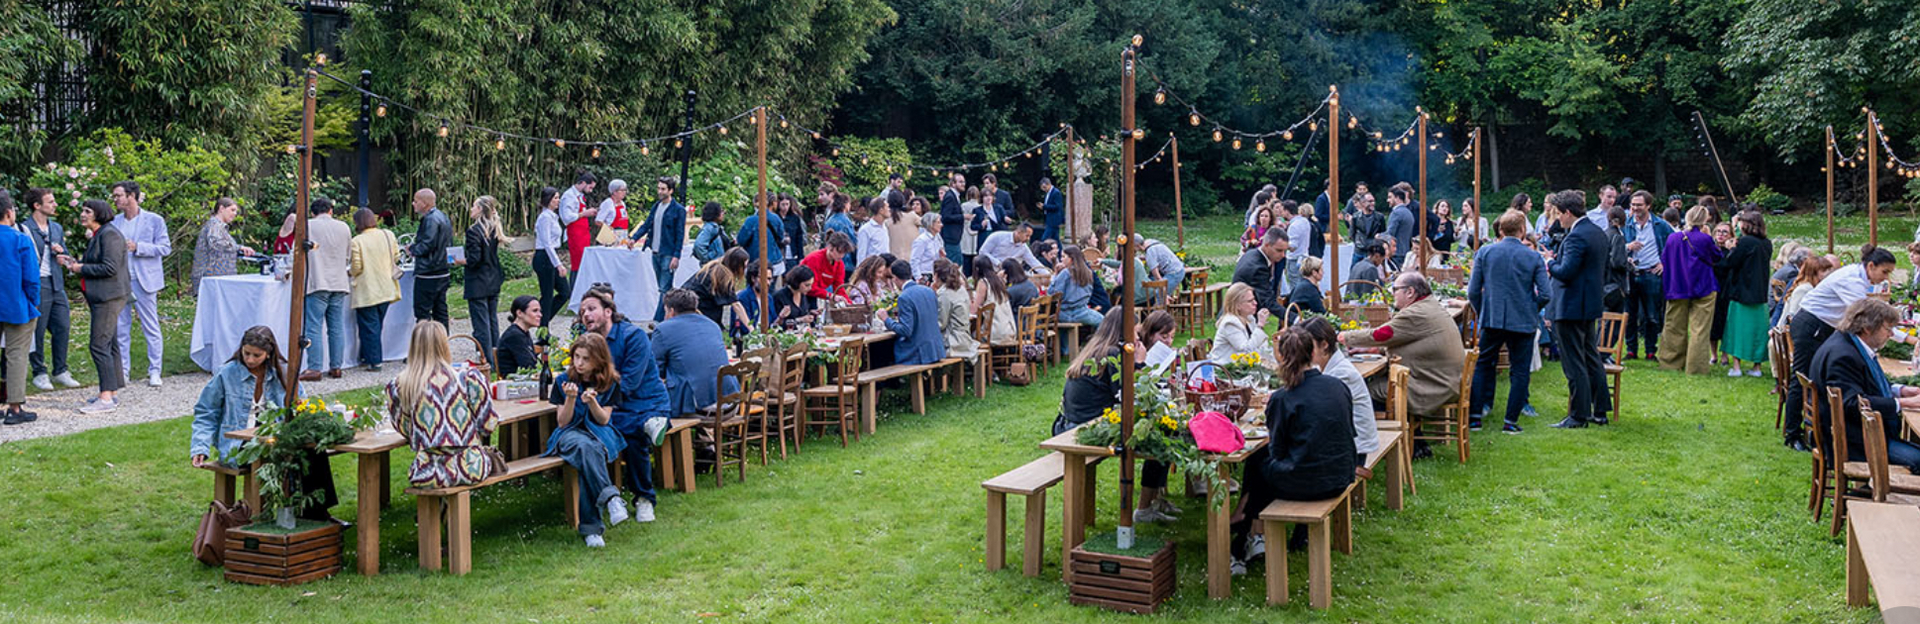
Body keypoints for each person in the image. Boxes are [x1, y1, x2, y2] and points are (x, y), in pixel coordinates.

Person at [1229, 327, 1358, 567]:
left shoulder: (1283, 397)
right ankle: (1252, 531)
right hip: (1342, 474)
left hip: (1310, 483)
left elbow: (1277, 452)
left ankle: (1248, 534)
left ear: (1281, 358)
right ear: (1312, 353)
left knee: (1260, 464)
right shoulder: (1337, 385)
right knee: (1263, 464)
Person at [1786, 247, 1897, 453]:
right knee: (1802, 377)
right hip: (1812, 325)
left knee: (1815, 378)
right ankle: (1792, 434)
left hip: (1821, 325)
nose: (1885, 278)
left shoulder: (1858, 277)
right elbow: (1869, 318)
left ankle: (1817, 429)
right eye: (1885, 272)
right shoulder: (1852, 280)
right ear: (1871, 266)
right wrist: (1907, 338)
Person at [1339, 272, 1463, 455]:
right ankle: (1416, 443)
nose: (1392, 294)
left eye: (1395, 289)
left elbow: (1381, 334)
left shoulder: (1415, 313)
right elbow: (1409, 340)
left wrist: (1343, 336)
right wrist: (1376, 350)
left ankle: (1378, 447)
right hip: (1444, 379)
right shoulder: (1429, 306)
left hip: (1432, 385)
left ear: (1410, 292)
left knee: (1363, 392)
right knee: (1380, 385)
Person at [577, 286, 673, 519]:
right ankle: (608, 496)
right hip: (613, 405)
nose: (586, 315)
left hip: (645, 402)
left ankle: (644, 499)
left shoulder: (633, 336)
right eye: (582, 312)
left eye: (591, 309)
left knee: (631, 434)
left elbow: (629, 384)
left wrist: (595, 391)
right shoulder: (587, 341)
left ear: (608, 311)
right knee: (584, 430)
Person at [1810, 299, 1920, 473]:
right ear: (1868, 327)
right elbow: (1852, 403)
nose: (1891, 334)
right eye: (1888, 329)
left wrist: (1901, 390)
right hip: (1853, 442)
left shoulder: (1848, 344)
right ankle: (1875, 488)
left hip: (1857, 433)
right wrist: (1904, 403)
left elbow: (1862, 383)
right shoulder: (1843, 356)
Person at [387, 320, 500, 488]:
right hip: (470, 467)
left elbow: (405, 430)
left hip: (427, 471)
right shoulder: (468, 378)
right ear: (444, 345)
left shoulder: (398, 386)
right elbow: (488, 424)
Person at [1467, 210, 1550, 433]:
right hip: (1523, 320)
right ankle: (1510, 421)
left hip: (1492, 318)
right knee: (1520, 370)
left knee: (1483, 365)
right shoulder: (1533, 256)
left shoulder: (1485, 252)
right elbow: (1546, 293)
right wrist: (1532, 309)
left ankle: (1475, 418)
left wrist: (1483, 311)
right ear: (1522, 230)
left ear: (1501, 230)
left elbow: (1473, 291)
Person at [547, 332, 631, 547]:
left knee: (588, 456)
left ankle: (592, 530)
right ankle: (611, 499)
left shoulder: (610, 382)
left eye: (586, 359)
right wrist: (571, 399)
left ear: (598, 360)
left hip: (599, 433)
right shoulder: (563, 380)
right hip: (570, 433)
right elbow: (562, 422)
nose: (580, 363)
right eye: (577, 357)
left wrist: (592, 403)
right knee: (585, 448)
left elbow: (604, 420)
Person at [1543, 191, 1611, 428]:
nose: (1557, 219)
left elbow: (1566, 272)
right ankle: (1600, 410)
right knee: (1591, 357)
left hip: (1571, 306)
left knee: (1574, 362)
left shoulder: (1576, 237)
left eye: (1559, 214)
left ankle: (1579, 415)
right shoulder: (1598, 232)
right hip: (1589, 303)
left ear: (1568, 212)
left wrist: (1549, 262)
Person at [59, 200, 127, 413]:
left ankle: (105, 398)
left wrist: (80, 268)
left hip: (108, 298)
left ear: (99, 214)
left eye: (87, 211)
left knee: (98, 345)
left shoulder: (109, 235)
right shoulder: (100, 235)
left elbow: (109, 268)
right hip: (102, 297)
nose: (83, 214)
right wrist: (73, 263)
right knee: (109, 344)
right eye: (82, 210)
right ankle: (112, 392)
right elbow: (97, 263)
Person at [1299, 317, 1379, 479]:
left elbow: (1318, 415)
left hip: (1352, 449)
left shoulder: (1340, 373)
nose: (1304, 352)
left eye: (1308, 346)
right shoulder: (1331, 366)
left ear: (1324, 345)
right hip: (1346, 441)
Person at [107, 181, 169, 388]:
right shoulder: (115, 222)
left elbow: (165, 248)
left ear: (131, 196)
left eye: (118, 195)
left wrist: (139, 247)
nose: (115, 199)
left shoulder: (154, 220)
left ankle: (155, 371)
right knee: (121, 327)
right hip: (120, 280)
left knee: (150, 326)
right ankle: (123, 371)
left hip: (145, 280)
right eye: (115, 196)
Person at [18, 189, 77, 391]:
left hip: (56, 283)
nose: (55, 205)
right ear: (37, 205)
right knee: (38, 329)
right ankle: (39, 372)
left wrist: (62, 256)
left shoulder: (56, 228)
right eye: (50, 201)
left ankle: (61, 370)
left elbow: (66, 255)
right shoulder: (25, 228)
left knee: (62, 327)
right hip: (38, 283)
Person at [1657, 205, 1724, 375]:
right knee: (1700, 329)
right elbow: (1716, 256)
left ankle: (1670, 362)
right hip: (1704, 285)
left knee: (1673, 326)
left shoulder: (1673, 238)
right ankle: (1696, 367)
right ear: (1704, 220)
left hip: (1678, 286)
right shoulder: (1705, 239)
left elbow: (1665, 259)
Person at [1052, 309, 1136, 435]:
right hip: (1085, 427)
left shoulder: (1095, 348)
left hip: (1067, 423)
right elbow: (1124, 395)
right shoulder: (1112, 353)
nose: (1137, 337)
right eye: (1135, 331)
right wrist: (1140, 362)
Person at [653, 289, 734, 418]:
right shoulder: (712, 325)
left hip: (699, 408)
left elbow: (655, 370)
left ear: (671, 311)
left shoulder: (663, 329)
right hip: (731, 404)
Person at [1717, 211, 1773, 377]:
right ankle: (1757, 367)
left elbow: (1731, 262)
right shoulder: (1766, 243)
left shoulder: (1745, 242)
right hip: (1760, 293)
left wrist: (1731, 248)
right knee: (1758, 331)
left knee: (1737, 330)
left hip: (1742, 292)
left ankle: (1737, 367)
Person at [0, 191, 39, 423]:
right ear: (8, 212)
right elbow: (31, 278)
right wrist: (33, 300)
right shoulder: (20, 239)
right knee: (16, 355)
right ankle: (14, 408)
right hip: (16, 304)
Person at [348, 207, 402, 372]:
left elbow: (357, 266)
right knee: (377, 324)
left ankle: (374, 360)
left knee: (369, 326)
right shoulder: (388, 234)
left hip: (367, 288)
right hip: (386, 286)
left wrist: (351, 272)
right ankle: (367, 355)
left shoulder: (357, 241)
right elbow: (397, 256)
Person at [1621, 190, 1673, 359]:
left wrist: (1664, 263)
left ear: (1648, 206)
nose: (1635, 208)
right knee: (1629, 315)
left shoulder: (1661, 225)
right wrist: (1628, 248)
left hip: (1652, 274)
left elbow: (1675, 246)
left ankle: (1651, 350)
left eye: (1639, 205)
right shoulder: (1625, 224)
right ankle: (1631, 350)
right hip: (1630, 274)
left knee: (1652, 315)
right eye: (1633, 205)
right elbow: (1614, 246)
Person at [458, 196, 506, 370]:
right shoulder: (493, 228)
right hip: (493, 278)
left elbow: (474, 259)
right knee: (492, 320)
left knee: (481, 324)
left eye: (473, 206)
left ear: (479, 209)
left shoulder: (474, 231)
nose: (471, 209)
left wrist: (460, 261)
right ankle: (496, 358)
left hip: (478, 281)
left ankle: (486, 360)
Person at [636, 177, 688, 321]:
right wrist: (634, 238)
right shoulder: (656, 206)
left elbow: (680, 234)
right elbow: (647, 225)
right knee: (663, 287)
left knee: (665, 288)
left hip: (668, 253)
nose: (660, 191)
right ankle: (670, 315)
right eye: (659, 188)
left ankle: (658, 319)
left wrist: (676, 255)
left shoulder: (678, 210)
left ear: (670, 191)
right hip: (655, 251)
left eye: (663, 189)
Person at [876, 260, 946, 366]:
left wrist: (886, 319)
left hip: (917, 353)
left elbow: (905, 330)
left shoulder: (904, 297)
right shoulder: (929, 291)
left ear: (895, 278)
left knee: (881, 354)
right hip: (935, 350)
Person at [409, 188, 453, 329]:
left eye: (416, 201)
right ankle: (442, 339)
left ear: (424, 203)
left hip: (428, 272)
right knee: (440, 311)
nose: (413, 204)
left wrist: (412, 250)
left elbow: (428, 243)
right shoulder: (443, 216)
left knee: (422, 313)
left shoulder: (430, 219)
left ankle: (424, 340)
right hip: (442, 270)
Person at [190, 198, 255, 293]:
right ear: (221, 209)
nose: (235, 214)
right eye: (232, 210)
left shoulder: (220, 227)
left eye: (236, 211)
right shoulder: (214, 225)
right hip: (210, 280)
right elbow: (216, 243)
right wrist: (239, 247)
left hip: (218, 281)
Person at [532, 186, 571, 327]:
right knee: (547, 295)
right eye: (555, 198)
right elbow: (547, 243)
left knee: (565, 292)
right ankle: (543, 330)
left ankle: (539, 320)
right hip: (544, 257)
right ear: (548, 200)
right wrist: (558, 264)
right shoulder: (545, 218)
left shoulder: (553, 217)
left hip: (552, 255)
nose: (558, 200)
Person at [1233, 228, 1289, 319]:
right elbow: (1267, 301)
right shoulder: (1258, 268)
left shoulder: (1252, 254)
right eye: (1279, 250)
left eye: (1285, 251)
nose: (1283, 255)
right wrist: (1295, 319)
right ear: (1267, 245)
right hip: (1239, 317)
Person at [1210, 283, 1273, 364]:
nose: (1255, 303)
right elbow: (1245, 349)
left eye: (1254, 299)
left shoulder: (1249, 318)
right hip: (1225, 367)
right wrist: (1260, 325)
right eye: (1250, 301)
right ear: (1237, 305)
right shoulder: (1230, 323)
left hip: (1243, 365)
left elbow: (1259, 344)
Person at [687, 248, 749, 330]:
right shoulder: (721, 276)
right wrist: (750, 327)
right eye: (744, 266)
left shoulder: (715, 268)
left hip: (692, 304)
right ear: (736, 265)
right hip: (698, 309)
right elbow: (736, 305)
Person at [932, 258, 978, 359]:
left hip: (952, 342)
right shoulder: (961, 289)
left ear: (936, 275)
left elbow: (941, 323)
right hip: (965, 338)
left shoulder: (944, 293)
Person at [1050, 245, 1104, 326]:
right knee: (1105, 322)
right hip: (1083, 312)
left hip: (1065, 313)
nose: (1061, 259)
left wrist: (1055, 276)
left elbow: (1052, 293)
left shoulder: (1065, 273)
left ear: (1071, 259)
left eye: (1063, 256)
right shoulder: (1088, 272)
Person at [971, 256, 1017, 344]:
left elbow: (974, 310)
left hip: (994, 333)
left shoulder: (983, 283)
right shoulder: (999, 281)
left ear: (976, 269)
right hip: (1009, 330)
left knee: (970, 336)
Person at [735, 199, 786, 278]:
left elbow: (741, 240)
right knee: (770, 283)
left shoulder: (750, 221)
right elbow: (781, 237)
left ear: (754, 204)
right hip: (774, 261)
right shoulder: (776, 218)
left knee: (754, 283)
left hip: (755, 260)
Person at [1777, 256, 1832, 329]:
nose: (1828, 273)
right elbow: (1793, 316)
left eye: (1829, 269)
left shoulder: (1812, 287)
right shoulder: (1804, 289)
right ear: (1813, 272)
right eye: (1824, 270)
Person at [495, 295, 542, 377]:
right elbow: (528, 366)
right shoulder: (514, 336)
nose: (540, 315)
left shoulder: (522, 332)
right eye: (535, 311)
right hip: (514, 381)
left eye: (540, 311)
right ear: (519, 313)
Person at [560, 172, 598, 272]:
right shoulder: (569, 196)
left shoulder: (579, 196)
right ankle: (574, 282)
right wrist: (584, 213)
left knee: (584, 262)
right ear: (583, 183)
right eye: (590, 187)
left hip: (583, 234)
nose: (591, 190)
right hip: (575, 234)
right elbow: (567, 217)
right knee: (578, 264)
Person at [801, 232, 854, 301]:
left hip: (816, 294)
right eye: (839, 252)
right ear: (830, 247)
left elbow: (839, 288)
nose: (841, 256)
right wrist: (830, 296)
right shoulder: (814, 259)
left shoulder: (839, 264)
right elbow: (810, 287)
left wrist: (849, 303)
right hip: (802, 293)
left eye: (844, 253)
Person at [979, 224, 1047, 276]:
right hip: (989, 270)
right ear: (1018, 232)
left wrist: (1047, 274)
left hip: (1008, 274)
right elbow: (982, 251)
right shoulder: (998, 236)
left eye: (1030, 236)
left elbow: (1033, 261)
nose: (1028, 239)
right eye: (1027, 236)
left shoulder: (1023, 247)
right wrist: (997, 263)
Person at [822, 190, 857, 273]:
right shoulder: (845, 221)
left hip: (830, 255)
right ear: (845, 204)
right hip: (845, 259)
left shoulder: (829, 220)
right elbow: (852, 240)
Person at [1347, 192, 1385, 264]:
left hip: (1373, 251)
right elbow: (1352, 233)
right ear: (1363, 203)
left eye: (1373, 201)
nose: (1373, 203)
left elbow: (1383, 233)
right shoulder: (1356, 217)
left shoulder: (1380, 217)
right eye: (1370, 201)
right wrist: (1357, 243)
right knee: (1354, 269)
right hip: (1359, 250)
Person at [1384, 188, 1417, 268]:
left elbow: (1390, 234)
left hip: (1396, 252)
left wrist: (1378, 236)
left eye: (1390, 197)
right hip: (1405, 251)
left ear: (1397, 198)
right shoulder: (1408, 212)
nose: (1387, 200)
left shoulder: (1396, 213)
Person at [939, 173, 967, 263]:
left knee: (958, 260)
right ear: (953, 184)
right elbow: (945, 216)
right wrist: (963, 217)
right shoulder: (950, 197)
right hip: (950, 236)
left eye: (964, 182)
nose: (963, 184)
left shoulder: (954, 196)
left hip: (954, 237)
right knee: (954, 262)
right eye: (960, 182)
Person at [595, 179, 633, 244]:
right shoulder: (608, 203)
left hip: (623, 236)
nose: (624, 192)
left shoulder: (622, 203)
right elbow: (598, 221)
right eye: (622, 190)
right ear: (614, 192)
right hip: (610, 238)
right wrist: (609, 229)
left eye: (625, 190)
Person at [776, 193, 806, 274]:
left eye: (787, 204)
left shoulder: (795, 218)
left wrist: (801, 256)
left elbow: (799, 237)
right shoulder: (775, 217)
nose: (785, 207)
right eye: (783, 204)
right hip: (778, 252)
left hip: (792, 252)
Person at [692, 201, 729, 265]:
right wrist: (708, 260)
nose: (723, 213)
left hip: (718, 265)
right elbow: (698, 245)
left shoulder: (717, 228)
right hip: (713, 267)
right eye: (721, 211)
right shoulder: (710, 228)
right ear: (715, 214)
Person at [856, 198, 892, 265]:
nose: (889, 209)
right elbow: (861, 255)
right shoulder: (865, 229)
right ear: (881, 210)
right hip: (871, 268)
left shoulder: (884, 227)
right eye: (887, 207)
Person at [912, 212, 944, 279]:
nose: (941, 225)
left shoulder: (937, 238)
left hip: (935, 274)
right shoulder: (922, 240)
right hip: (924, 275)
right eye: (938, 222)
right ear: (931, 224)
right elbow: (915, 260)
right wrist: (918, 277)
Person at [893, 196, 926, 260]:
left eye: (917, 204)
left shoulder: (924, 219)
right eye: (913, 204)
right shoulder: (908, 217)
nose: (915, 206)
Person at [1038, 177, 1065, 243]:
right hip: (1049, 218)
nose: (1044, 189)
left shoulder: (1056, 192)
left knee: (1045, 237)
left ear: (1049, 184)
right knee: (1055, 238)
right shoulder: (1048, 193)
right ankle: (1059, 249)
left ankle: (1041, 246)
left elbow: (1057, 206)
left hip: (1054, 219)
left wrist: (1044, 206)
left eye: (1044, 187)